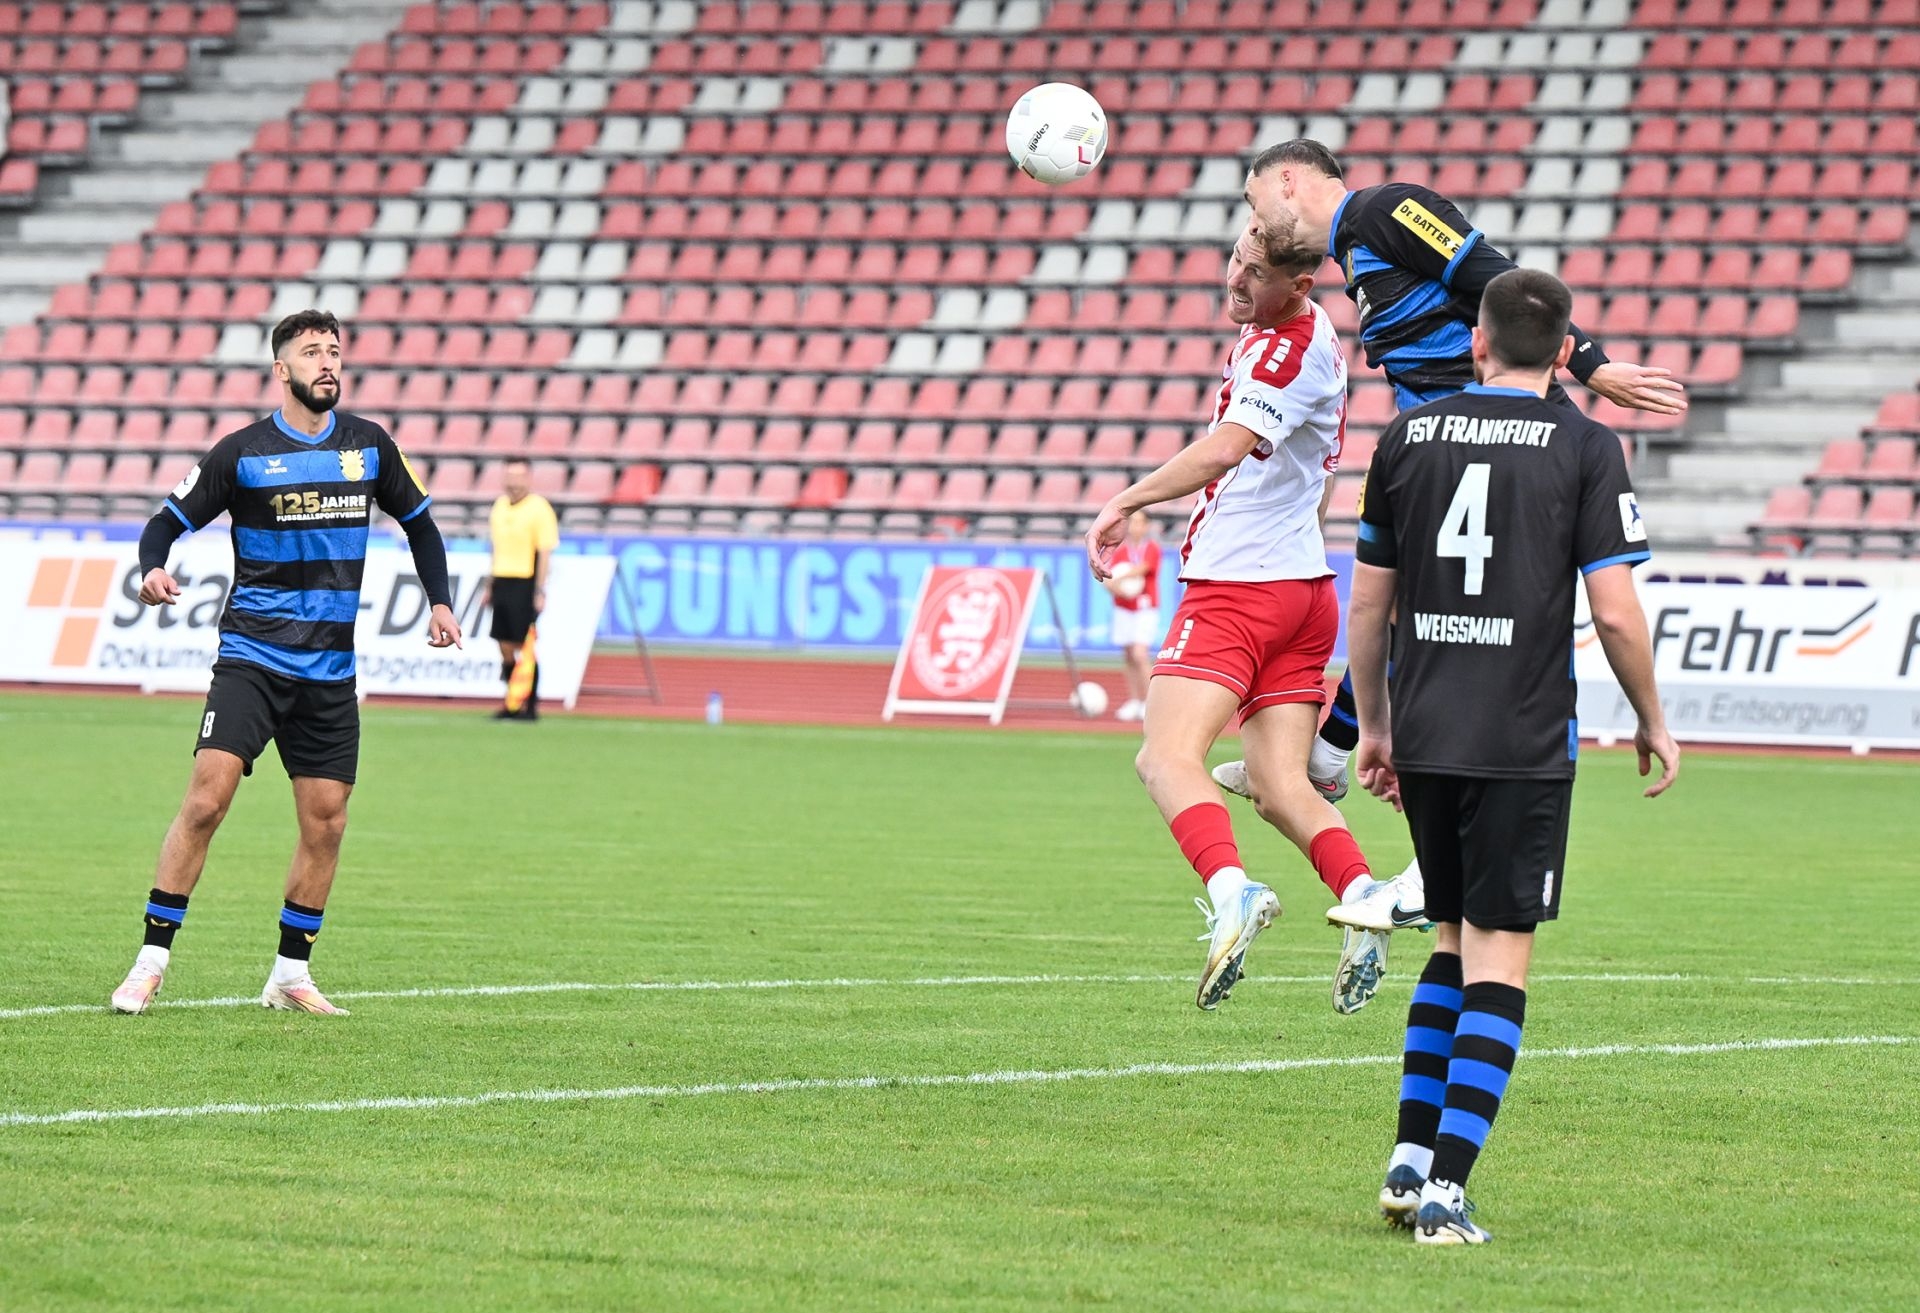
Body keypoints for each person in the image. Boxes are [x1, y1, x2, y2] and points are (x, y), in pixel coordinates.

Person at [1214, 139, 1688, 917]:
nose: (1254, 219)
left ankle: (1428, 859)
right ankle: (1331, 759)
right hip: (1443, 452)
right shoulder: (1353, 253)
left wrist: (1591, 365)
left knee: (1446, 634)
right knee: (1404, 610)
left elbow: (1498, 281)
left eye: (1253, 199)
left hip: (1495, 449)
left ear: (1288, 180)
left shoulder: (1387, 210)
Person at [1345, 269, 1679, 1243]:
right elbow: (1615, 611)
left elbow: (1368, 602)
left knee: (1450, 939)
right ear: (1566, 350)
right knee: (1500, 955)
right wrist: (1653, 717)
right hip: (1521, 738)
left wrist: (1374, 725)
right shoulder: (1586, 445)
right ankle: (1445, 1192)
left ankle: (1410, 1159)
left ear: (1477, 342)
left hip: (1427, 729)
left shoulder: (1407, 436)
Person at [1087, 217, 1409, 1016]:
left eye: (1255, 273)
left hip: (1238, 588)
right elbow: (1317, 474)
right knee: (1275, 784)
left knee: (1165, 758)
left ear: (1299, 285)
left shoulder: (1282, 350)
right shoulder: (1314, 334)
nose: (1237, 280)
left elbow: (1225, 448)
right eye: (1236, 260)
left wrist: (1125, 500)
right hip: (1302, 589)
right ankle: (1363, 895)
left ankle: (1233, 891)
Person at [109, 310, 463, 1017]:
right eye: (311, 353)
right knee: (206, 801)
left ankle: (290, 975)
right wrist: (152, 568)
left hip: (329, 671)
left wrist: (441, 602)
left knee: (326, 822)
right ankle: (150, 962)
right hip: (252, 659)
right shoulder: (241, 453)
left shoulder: (370, 447)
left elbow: (420, 524)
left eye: (334, 351)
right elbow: (165, 522)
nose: (327, 363)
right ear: (282, 370)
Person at [483, 456, 559, 721]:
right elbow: (496, 549)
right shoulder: (499, 506)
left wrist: (539, 590)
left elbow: (544, 552)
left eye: (518, 476)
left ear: (528, 478)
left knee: (524, 644)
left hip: (525, 582)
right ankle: (512, 700)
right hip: (502, 580)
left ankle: (530, 706)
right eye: (509, 476)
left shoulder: (539, 509)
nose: (513, 482)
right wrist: (489, 584)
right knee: (503, 645)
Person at [1100, 510, 1162, 722]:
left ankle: (1150, 703)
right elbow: (1109, 576)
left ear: (1146, 526)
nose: (1135, 527)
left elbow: (1143, 568)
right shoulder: (1121, 551)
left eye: (1139, 523)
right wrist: (1111, 585)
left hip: (1144, 608)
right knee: (1128, 655)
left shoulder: (1151, 548)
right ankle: (1135, 700)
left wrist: (1120, 578)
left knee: (1139, 654)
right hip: (1123, 607)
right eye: (1132, 522)